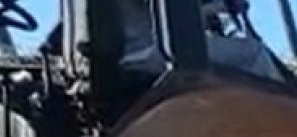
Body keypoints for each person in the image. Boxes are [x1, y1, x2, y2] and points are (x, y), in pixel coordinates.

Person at [115, 0, 285, 82]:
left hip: (144, 51)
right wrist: (221, 6)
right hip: (147, 52)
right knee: (253, 52)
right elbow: (173, 22)